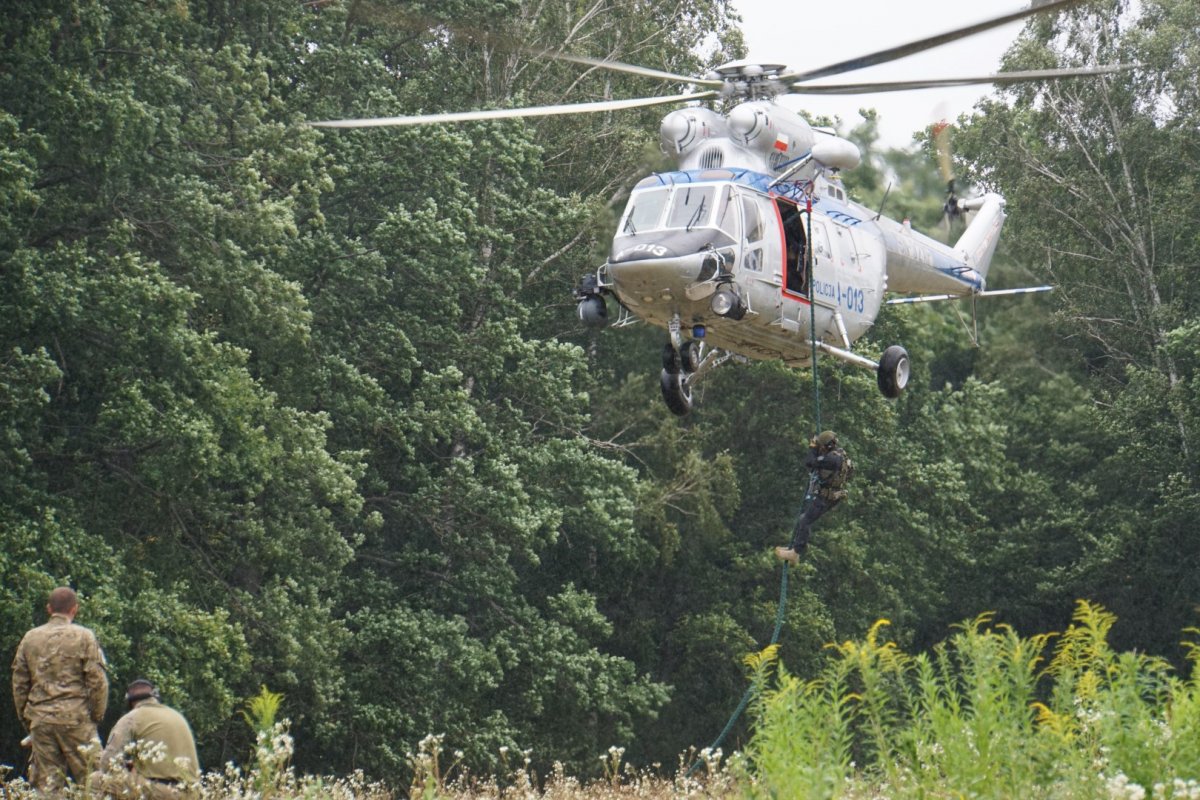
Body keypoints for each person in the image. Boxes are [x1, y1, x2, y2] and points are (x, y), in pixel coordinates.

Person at [11, 586, 109, 790]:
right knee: (95, 782)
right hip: (77, 719)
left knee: (47, 787)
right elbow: (97, 681)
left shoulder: (30, 638)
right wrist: (95, 716)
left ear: (49, 608)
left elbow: (19, 684)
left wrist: (29, 721)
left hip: (42, 721)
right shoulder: (84, 636)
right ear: (75, 609)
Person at [95, 678, 201, 799]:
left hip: (164, 793)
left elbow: (107, 764)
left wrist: (124, 768)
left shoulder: (131, 718)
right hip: (193, 793)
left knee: (96, 780)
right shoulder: (177, 716)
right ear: (155, 696)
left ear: (130, 702)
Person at [776, 430, 852, 565]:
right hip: (833, 495)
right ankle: (795, 548)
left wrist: (812, 448)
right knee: (803, 518)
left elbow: (810, 463)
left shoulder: (831, 459)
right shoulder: (840, 454)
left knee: (805, 520)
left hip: (825, 497)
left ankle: (795, 553)